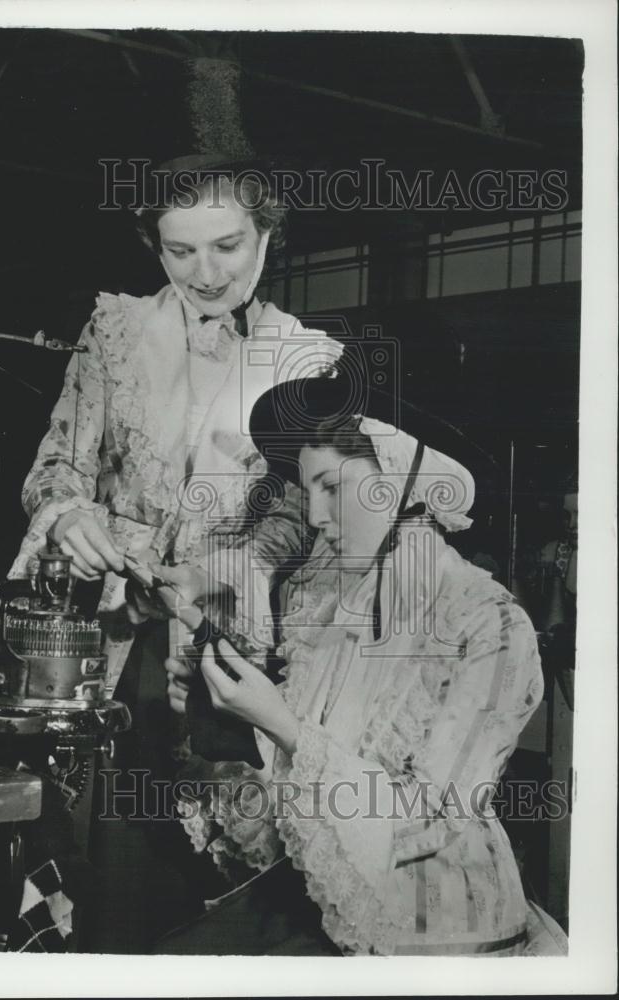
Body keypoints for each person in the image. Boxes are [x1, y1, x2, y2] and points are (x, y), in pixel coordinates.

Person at [8, 164, 342, 952]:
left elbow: (302, 506)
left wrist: (240, 564)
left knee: (226, 879)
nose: (206, 273)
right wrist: (67, 517)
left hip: (229, 644)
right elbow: (57, 463)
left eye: (227, 246)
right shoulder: (115, 332)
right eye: (179, 251)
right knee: (103, 867)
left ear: (268, 235)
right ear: (154, 249)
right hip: (110, 642)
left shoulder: (306, 359)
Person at [157, 375, 568, 956]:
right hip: (324, 892)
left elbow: (430, 818)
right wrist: (215, 678)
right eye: (309, 490)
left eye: (332, 486)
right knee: (176, 956)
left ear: (399, 477)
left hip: (437, 918)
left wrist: (285, 727)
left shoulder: (488, 622)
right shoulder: (327, 600)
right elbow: (291, 757)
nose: (317, 515)